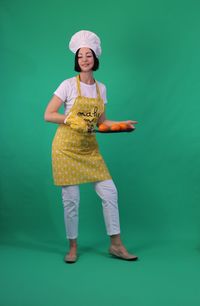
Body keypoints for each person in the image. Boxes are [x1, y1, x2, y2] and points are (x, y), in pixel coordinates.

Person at [44, 30, 138, 263]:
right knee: (71, 199)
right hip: (65, 148)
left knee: (110, 192)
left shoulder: (100, 88)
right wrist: (69, 119)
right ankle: (73, 247)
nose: (84, 59)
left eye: (88, 55)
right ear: (76, 61)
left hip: (89, 149)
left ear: (95, 58)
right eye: (79, 56)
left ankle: (116, 245)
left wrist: (121, 125)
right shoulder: (67, 85)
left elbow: (102, 122)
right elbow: (48, 114)